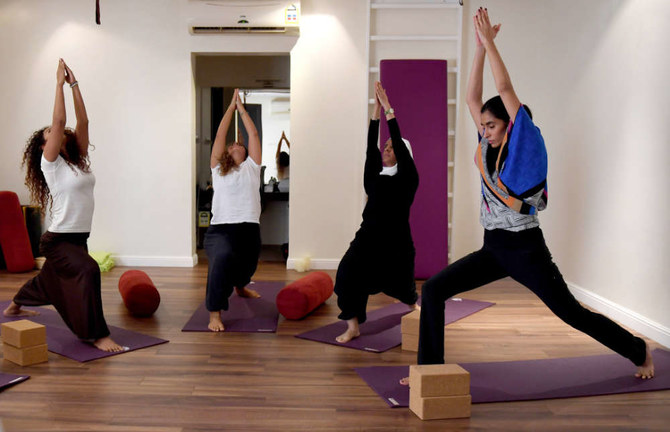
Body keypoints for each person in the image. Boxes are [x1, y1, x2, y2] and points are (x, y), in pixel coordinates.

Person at [406, 8, 654, 383]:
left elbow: (505, 91)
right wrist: (476, 50)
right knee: (437, 289)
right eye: (484, 125)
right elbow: (473, 98)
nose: (485, 130)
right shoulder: (487, 146)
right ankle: (429, 374)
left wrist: (491, 44)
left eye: (492, 125)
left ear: (510, 126)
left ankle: (637, 350)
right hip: (494, 249)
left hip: (526, 250)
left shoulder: (524, 144)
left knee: (571, 312)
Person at [4, 59, 124, 352]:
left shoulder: (77, 162)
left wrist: (75, 85)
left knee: (50, 280)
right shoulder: (51, 165)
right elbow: (59, 122)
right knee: (88, 270)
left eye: (55, 132)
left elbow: (82, 122)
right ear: (44, 147)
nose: (56, 131)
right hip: (57, 240)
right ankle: (96, 334)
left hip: (78, 238)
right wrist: (57, 84)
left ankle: (15, 306)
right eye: (50, 134)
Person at [334, 82, 420, 343]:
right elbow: (370, 148)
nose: (387, 149)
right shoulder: (374, 179)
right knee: (347, 275)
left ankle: (416, 311)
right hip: (367, 239)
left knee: (404, 289)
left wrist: (389, 112)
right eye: (387, 147)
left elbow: (402, 154)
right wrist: (375, 112)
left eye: (393, 147)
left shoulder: (408, 179)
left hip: (396, 243)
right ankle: (353, 326)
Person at [205, 89, 263, 332]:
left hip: (249, 228)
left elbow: (253, 133)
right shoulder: (219, 170)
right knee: (222, 260)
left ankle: (240, 286)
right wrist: (230, 108)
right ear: (227, 154)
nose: (236, 145)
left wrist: (243, 110)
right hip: (221, 230)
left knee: (248, 265)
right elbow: (220, 133)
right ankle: (214, 314)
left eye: (240, 145)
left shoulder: (252, 167)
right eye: (232, 145)